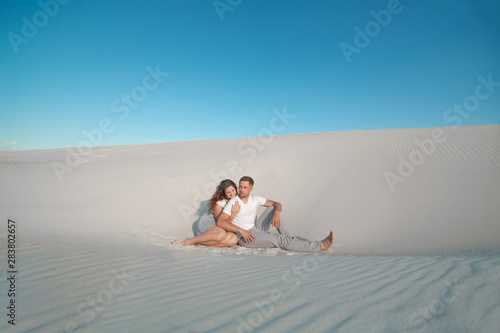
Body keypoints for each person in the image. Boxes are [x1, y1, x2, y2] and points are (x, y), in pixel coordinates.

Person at [217, 176, 334, 252]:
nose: (241, 190)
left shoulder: (255, 199)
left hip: (255, 228)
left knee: (272, 209)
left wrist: (277, 212)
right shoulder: (233, 202)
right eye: (240, 186)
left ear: (251, 189)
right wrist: (240, 231)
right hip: (245, 236)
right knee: (278, 239)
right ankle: (320, 246)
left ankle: (290, 238)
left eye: (245, 187)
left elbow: (277, 204)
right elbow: (221, 222)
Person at [174, 179, 240, 247]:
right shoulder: (219, 202)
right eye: (228, 192)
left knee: (233, 239)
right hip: (210, 220)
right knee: (221, 234)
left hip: (223, 224)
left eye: (233, 190)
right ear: (223, 193)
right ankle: (189, 241)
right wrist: (233, 214)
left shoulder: (238, 196)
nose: (232, 194)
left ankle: (198, 243)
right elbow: (220, 222)